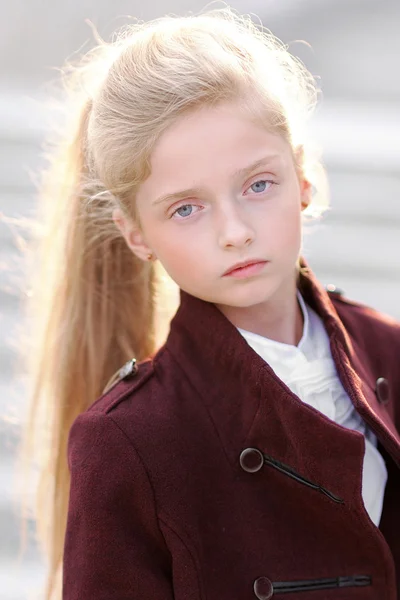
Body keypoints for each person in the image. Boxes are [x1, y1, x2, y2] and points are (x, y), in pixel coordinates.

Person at [18, 6, 400, 600]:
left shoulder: (390, 349)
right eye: (186, 208)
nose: (235, 231)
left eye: (257, 184)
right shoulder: (129, 440)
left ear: (303, 176)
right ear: (136, 232)